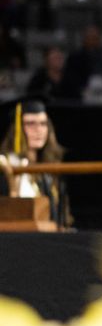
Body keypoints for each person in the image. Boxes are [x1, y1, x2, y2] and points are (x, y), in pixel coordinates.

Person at [0, 95, 69, 227]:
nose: (38, 130)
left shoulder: (50, 167)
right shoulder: (6, 166)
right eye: (30, 123)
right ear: (17, 129)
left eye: (43, 124)